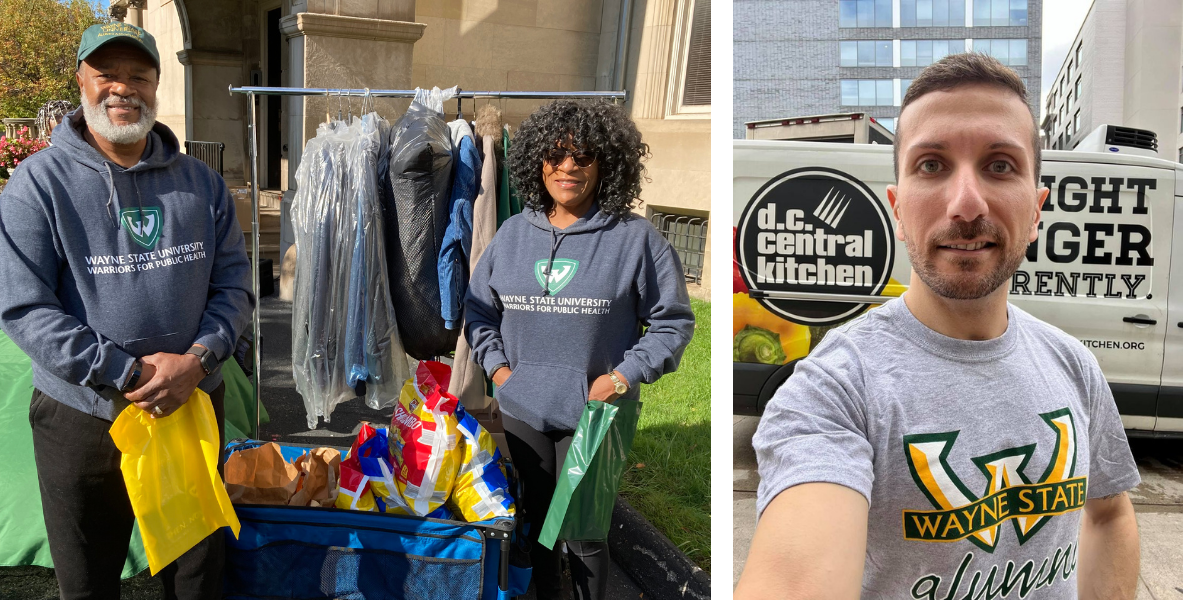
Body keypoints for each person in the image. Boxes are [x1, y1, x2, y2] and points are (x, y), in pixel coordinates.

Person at [737, 53, 1141, 600]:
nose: (967, 203)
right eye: (932, 165)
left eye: (1000, 165)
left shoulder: (1073, 364)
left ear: (1038, 207)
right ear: (898, 209)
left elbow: (1109, 514)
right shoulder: (834, 388)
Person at [0, 22, 253, 600]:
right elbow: (23, 307)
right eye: (106, 73)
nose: (122, 88)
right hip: (82, 418)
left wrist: (198, 359)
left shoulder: (202, 185)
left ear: (157, 86)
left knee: (195, 579)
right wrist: (126, 372)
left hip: (189, 406)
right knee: (87, 582)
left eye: (139, 75)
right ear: (81, 80)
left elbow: (235, 287)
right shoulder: (38, 184)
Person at [464, 100, 695, 600]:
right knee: (540, 523)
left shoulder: (635, 239)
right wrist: (501, 372)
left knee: (584, 530)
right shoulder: (512, 234)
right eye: (557, 154)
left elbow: (672, 322)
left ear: (606, 163)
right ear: (537, 161)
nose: (569, 167)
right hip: (524, 406)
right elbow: (480, 311)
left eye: (584, 156)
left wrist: (620, 378)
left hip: (597, 410)